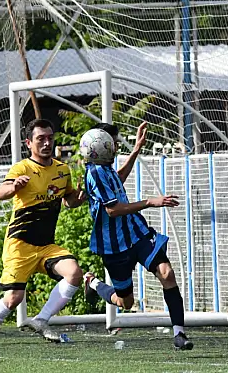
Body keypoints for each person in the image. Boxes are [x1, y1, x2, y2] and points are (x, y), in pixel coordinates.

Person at [0, 119, 87, 363]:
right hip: (20, 244)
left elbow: (68, 200)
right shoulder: (22, 168)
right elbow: (0, 193)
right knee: (14, 299)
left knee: (74, 273)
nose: (46, 142)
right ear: (28, 143)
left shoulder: (62, 169)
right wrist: (14, 186)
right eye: (40, 139)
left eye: (49, 137)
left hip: (46, 245)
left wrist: (80, 197)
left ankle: (41, 320)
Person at [81, 122, 194, 351]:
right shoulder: (94, 173)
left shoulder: (105, 167)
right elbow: (112, 210)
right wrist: (151, 202)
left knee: (167, 274)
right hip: (114, 246)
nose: (115, 149)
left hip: (137, 232)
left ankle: (179, 333)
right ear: (101, 146)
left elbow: (118, 179)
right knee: (126, 302)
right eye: (113, 144)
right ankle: (92, 282)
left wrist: (136, 149)